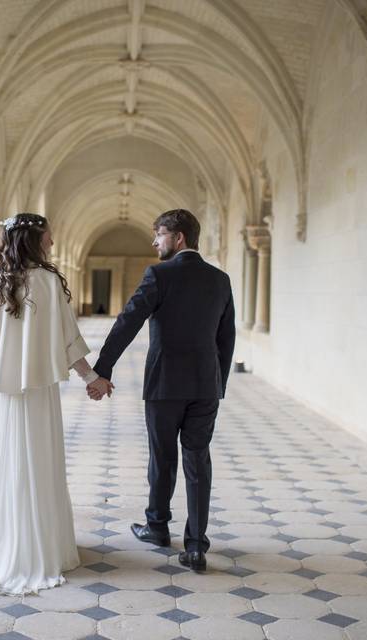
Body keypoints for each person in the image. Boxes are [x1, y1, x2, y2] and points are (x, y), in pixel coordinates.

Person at [0, 212, 99, 595]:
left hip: (1, 392)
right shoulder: (48, 283)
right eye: (49, 236)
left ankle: (0, 549)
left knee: (3, 462)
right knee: (37, 461)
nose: (52, 243)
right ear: (35, 240)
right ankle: (39, 549)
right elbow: (69, 343)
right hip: (38, 392)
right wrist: (92, 377)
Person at [87, 208, 235, 573]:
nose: (154, 242)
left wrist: (102, 369)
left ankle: (157, 527)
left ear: (178, 237)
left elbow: (128, 321)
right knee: (198, 461)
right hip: (205, 385)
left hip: (165, 384)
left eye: (159, 235)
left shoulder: (159, 274)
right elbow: (226, 337)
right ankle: (197, 545)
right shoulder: (220, 279)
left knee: (163, 457)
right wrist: (219, 382)